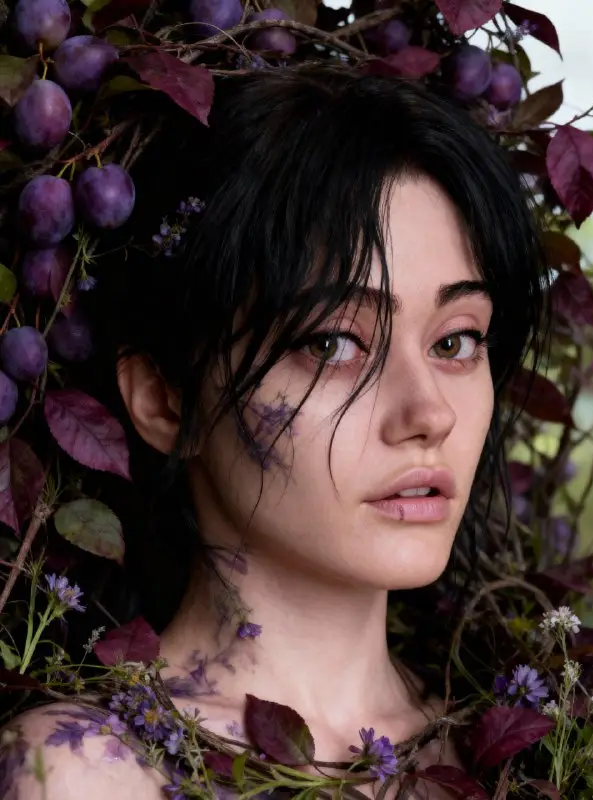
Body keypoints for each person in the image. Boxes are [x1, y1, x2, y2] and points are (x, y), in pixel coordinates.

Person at [2, 61, 547, 799]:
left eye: (455, 341)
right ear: (165, 401)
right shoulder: (85, 774)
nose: (430, 414)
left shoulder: (528, 752)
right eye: (332, 344)